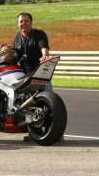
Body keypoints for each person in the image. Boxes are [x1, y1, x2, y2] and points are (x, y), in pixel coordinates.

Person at [12, 12, 63, 142]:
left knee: (50, 104)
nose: (24, 23)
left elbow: (43, 47)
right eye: (21, 21)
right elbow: (15, 56)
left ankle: (58, 133)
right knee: (29, 106)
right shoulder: (17, 38)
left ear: (31, 22)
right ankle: (33, 132)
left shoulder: (39, 34)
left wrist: (45, 56)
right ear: (18, 24)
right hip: (26, 78)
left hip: (40, 74)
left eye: (26, 21)